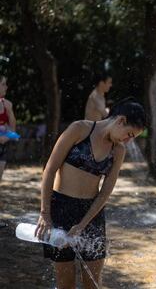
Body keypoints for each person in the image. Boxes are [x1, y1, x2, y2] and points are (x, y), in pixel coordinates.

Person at [35, 98, 145, 288]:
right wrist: (45, 213)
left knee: (93, 284)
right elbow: (50, 170)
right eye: (129, 134)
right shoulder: (79, 129)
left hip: (91, 215)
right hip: (60, 209)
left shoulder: (118, 150)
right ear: (120, 120)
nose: (128, 140)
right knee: (65, 284)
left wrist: (83, 223)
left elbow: (105, 193)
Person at [0, 75, 17, 181]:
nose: (6, 87)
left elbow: (13, 131)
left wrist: (6, 136)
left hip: (2, 146)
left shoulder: (8, 105)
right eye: (3, 84)